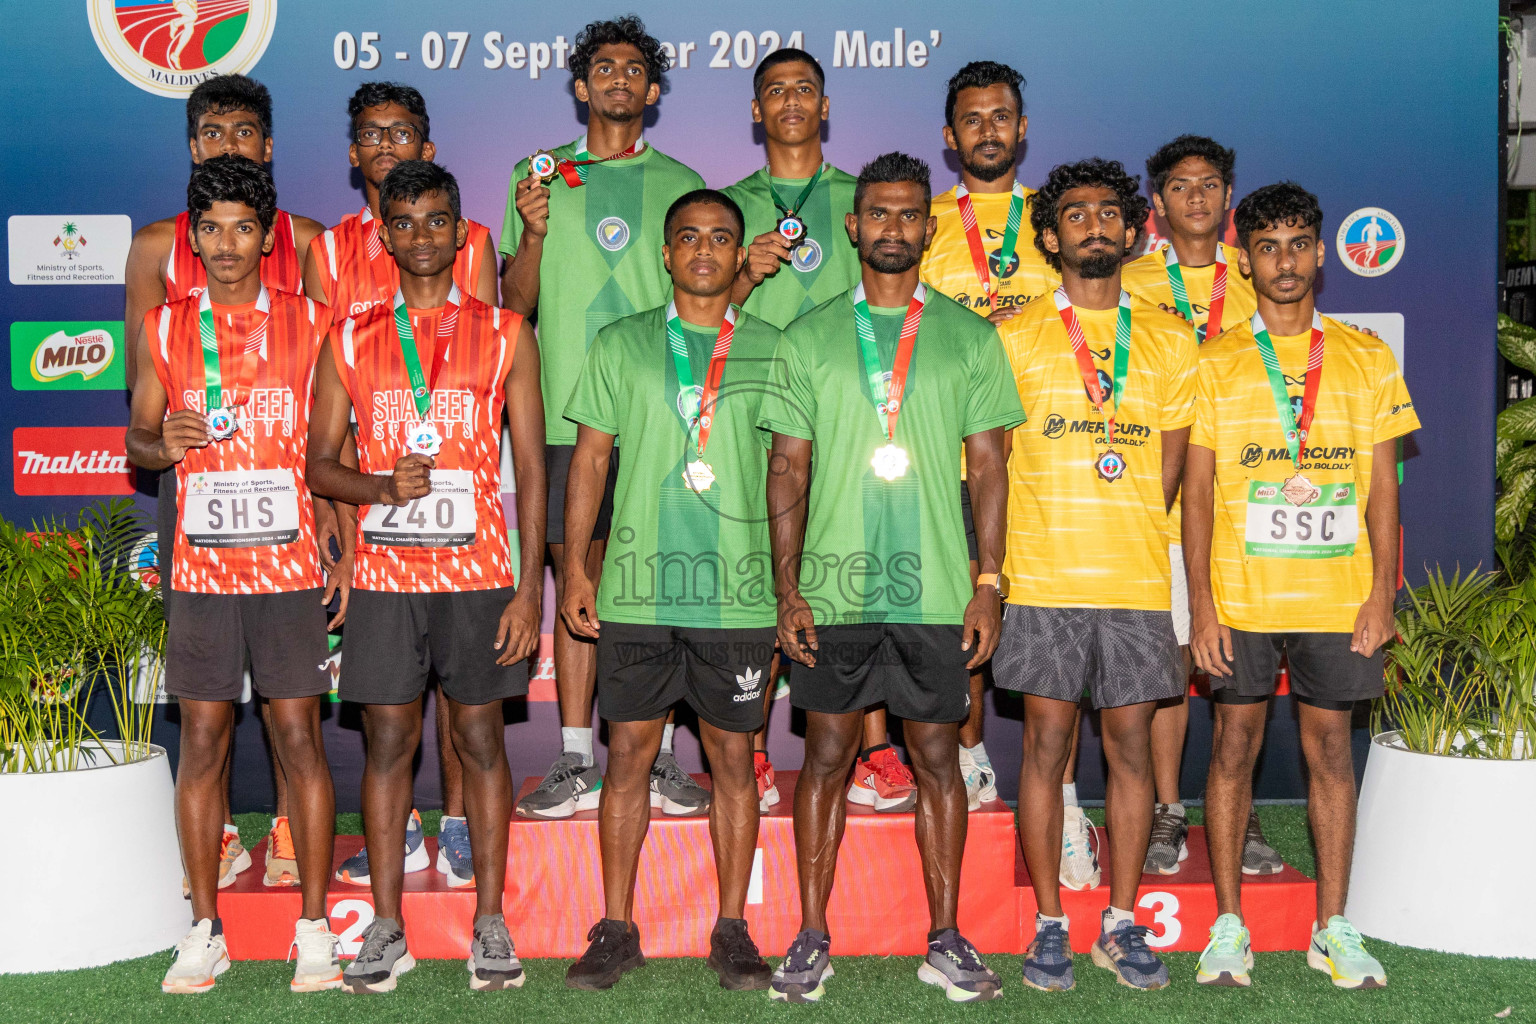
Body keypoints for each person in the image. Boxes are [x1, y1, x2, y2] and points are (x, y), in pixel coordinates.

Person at [759, 152, 1022, 1004]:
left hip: (936, 587)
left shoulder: (971, 336)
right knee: (829, 754)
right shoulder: (808, 337)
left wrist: (989, 579)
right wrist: (787, 588)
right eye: (878, 214)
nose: (894, 228)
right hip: (833, 587)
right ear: (853, 224)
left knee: (937, 755)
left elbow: (989, 467)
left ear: (928, 228)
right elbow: (787, 470)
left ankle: (945, 936)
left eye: (910, 215)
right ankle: (809, 934)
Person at [306, 161, 545, 993]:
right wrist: (379, 488)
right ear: (385, 233)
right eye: (403, 223)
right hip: (383, 576)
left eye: (436, 221)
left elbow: (533, 470)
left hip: (480, 575)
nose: (420, 237)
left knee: (479, 742)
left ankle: (489, 920)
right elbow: (318, 465)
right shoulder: (350, 337)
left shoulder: (509, 331)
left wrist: (529, 585)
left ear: (460, 229)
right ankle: (386, 926)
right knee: (389, 745)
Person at [1186, 182, 1418, 990]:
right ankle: (1226, 925)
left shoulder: (1365, 355)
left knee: (1329, 751)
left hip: (1338, 599)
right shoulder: (1215, 361)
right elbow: (1199, 494)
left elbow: (1384, 488)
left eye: (1297, 244)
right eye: (1267, 246)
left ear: (1321, 253)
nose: (1283, 260)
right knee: (1232, 750)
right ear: (1243, 259)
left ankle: (1333, 926)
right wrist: (1203, 606)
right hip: (1242, 601)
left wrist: (1382, 593)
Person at [125, 156, 340, 994]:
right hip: (202, 572)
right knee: (204, 742)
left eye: (242, 228)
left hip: (288, 567)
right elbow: (137, 439)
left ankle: (315, 929)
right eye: (209, 228)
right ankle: (204, 930)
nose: (225, 243)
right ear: (193, 236)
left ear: (268, 234)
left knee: (299, 739)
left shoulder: (315, 321)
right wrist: (162, 445)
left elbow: (337, 449)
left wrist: (342, 535)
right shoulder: (165, 327)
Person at [559, 190, 777, 992]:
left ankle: (732, 929)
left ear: (739, 251)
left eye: (722, 237)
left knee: (733, 760)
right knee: (628, 759)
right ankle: (615, 928)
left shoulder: (772, 347)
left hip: (738, 593)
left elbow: (792, 467)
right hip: (640, 590)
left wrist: (788, 587)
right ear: (666, 251)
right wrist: (579, 568)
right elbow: (589, 461)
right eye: (689, 237)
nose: (705, 250)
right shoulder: (621, 342)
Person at [500, 15, 709, 820]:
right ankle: (575, 758)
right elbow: (513, 307)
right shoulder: (537, 174)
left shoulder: (685, 180)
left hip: (659, 425)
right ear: (581, 86)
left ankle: (657, 761)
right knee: (578, 582)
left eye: (634, 70)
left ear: (653, 92)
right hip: (561, 423)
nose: (619, 80)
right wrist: (532, 232)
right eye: (603, 69)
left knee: (655, 591)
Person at [994, 157, 1196, 992]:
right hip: (1042, 577)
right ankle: (1049, 924)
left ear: (1133, 230)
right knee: (1045, 748)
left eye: (1109, 213)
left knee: (1132, 756)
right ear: (1049, 237)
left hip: (1138, 580)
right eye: (1075, 216)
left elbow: (1175, 470)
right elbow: (990, 464)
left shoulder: (1172, 337)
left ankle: (1119, 920)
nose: (1095, 226)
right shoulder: (1011, 334)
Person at [303, 80, 496, 892]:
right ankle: (402, 835)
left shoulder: (475, 239)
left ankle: (456, 828)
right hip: (364, 492)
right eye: (372, 135)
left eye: (403, 132)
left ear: (428, 145)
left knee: (460, 695)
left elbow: (478, 376)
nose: (387, 146)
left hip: (453, 497)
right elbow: (325, 404)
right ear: (353, 155)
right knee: (387, 706)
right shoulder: (328, 250)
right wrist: (337, 519)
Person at [722, 49, 914, 815]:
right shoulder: (730, 202)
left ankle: (873, 751)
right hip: (748, 409)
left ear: (825, 106)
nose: (791, 101)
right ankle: (757, 752)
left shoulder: (858, 200)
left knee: (850, 577)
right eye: (775, 91)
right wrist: (744, 275)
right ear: (756, 111)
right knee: (760, 575)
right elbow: (707, 316)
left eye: (805, 89)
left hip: (846, 414)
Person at [1121, 135, 1278, 877]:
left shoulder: (1259, 282)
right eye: (1180, 186)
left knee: (1237, 668)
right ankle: (1168, 810)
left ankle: (1235, 818)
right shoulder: (1128, 282)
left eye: (1209, 184)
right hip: (1158, 499)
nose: (1195, 196)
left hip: (1245, 502)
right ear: (1156, 206)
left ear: (1229, 200)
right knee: (1170, 663)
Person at [921, 60, 1061, 822]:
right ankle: (970, 760)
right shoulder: (929, 223)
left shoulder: (1059, 218)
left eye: (1000, 116)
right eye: (971, 119)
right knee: (960, 615)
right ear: (950, 136)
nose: (987, 130)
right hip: (953, 461)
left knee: (1049, 627)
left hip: (1052, 461)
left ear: (1022, 126)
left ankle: (1064, 799)